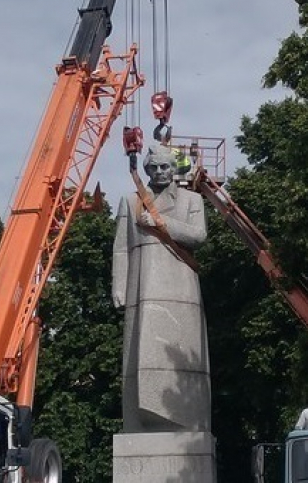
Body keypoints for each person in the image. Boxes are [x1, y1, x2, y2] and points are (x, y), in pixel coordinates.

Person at [112, 144, 209, 432]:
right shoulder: (130, 201)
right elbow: (120, 248)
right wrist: (119, 286)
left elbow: (198, 235)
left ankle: (180, 417)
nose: (159, 172)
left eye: (164, 167)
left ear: (174, 168)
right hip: (141, 285)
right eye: (153, 168)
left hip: (181, 285)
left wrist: (161, 222)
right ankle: (143, 417)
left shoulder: (192, 199)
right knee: (138, 353)